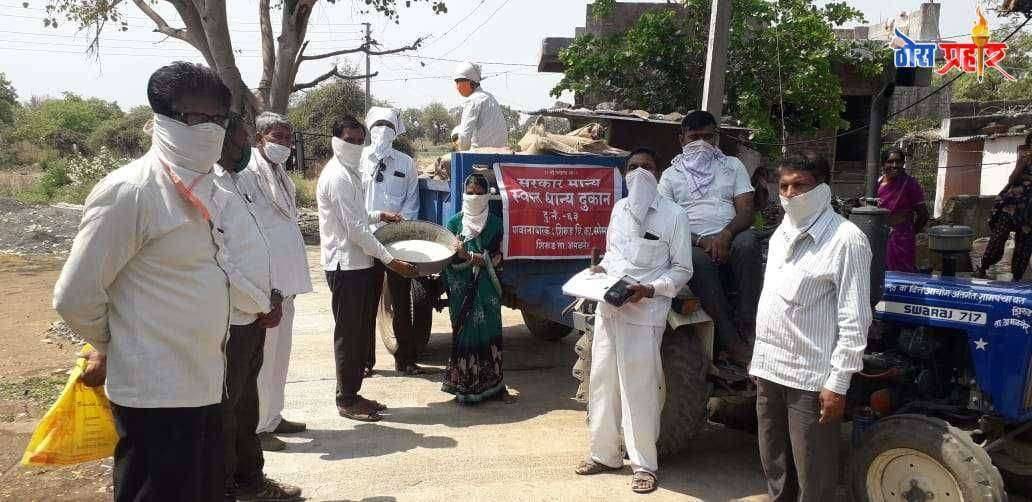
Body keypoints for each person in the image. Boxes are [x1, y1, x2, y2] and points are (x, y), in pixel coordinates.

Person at [52, 62, 231, 502]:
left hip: (205, 382)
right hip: (155, 394)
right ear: (163, 119)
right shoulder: (130, 191)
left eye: (219, 118)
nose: (210, 129)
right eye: (196, 117)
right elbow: (74, 296)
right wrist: (116, 343)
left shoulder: (208, 188)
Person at [749, 153, 872, 502]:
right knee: (774, 464)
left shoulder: (847, 240)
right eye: (784, 186)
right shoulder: (781, 233)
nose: (790, 194)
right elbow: (772, 301)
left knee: (813, 475)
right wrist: (758, 362)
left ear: (822, 188)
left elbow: (855, 319)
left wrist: (838, 383)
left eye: (799, 185)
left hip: (811, 378)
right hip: (770, 370)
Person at [575, 148, 693, 495]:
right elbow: (614, 254)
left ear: (658, 173)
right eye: (634, 167)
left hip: (645, 313)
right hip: (610, 307)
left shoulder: (674, 215)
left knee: (639, 389)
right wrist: (599, 269)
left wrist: (650, 289)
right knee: (602, 382)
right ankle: (604, 455)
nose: (640, 172)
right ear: (625, 173)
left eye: (648, 166)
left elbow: (682, 269)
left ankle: (644, 465)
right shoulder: (619, 209)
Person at [212, 118, 301, 501]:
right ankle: (230, 485)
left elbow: (258, 243)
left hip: (261, 305)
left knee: (246, 403)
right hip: (234, 315)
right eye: (240, 141)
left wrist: (272, 293)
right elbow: (223, 260)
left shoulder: (239, 181)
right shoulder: (215, 185)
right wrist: (263, 300)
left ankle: (252, 478)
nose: (245, 149)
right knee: (229, 407)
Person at [317, 115, 417, 422]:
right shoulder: (338, 176)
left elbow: (359, 216)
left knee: (359, 331)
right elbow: (356, 231)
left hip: (358, 264)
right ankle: (346, 399)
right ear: (336, 140)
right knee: (349, 334)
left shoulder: (350, 172)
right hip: (345, 265)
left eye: (360, 141)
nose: (355, 145)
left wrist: (379, 215)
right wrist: (389, 259)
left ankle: (353, 392)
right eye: (349, 140)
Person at [658, 110, 761, 366]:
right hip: (690, 241)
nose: (701, 143)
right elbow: (665, 222)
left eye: (708, 137)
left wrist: (725, 235)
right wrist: (702, 241)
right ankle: (731, 341)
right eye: (694, 137)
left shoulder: (732, 166)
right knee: (697, 260)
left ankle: (748, 325)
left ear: (716, 138)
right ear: (681, 139)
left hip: (731, 236)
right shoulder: (670, 175)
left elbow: (746, 210)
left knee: (749, 242)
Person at [240, 112, 313, 451]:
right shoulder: (247, 174)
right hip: (266, 285)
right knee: (263, 359)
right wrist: (264, 286)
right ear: (260, 139)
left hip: (286, 282)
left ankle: (273, 415)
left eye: (286, 137)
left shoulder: (280, 173)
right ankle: (257, 427)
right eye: (276, 137)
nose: (283, 143)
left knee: (280, 355)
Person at [361, 107, 424, 376]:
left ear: (396, 131)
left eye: (388, 125)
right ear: (369, 128)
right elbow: (353, 203)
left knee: (401, 302)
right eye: (378, 124)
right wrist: (367, 232)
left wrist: (399, 231)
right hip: (365, 241)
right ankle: (365, 362)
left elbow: (411, 203)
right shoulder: (358, 159)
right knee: (366, 303)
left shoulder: (406, 163)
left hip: (397, 242)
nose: (383, 130)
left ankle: (405, 360)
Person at [441, 174, 507, 404]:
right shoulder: (454, 224)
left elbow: (498, 258)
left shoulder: (496, 223)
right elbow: (447, 261)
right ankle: (464, 387)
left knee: (490, 331)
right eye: (470, 193)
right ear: (464, 194)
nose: (474, 197)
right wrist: (459, 256)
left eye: (479, 193)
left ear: (487, 195)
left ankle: (494, 387)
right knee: (465, 335)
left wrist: (469, 255)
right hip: (462, 289)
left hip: (487, 289)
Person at [977, 134, 1032, 280]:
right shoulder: (1025, 158)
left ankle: (1016, 278)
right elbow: (1012, 179)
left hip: (1029, 211)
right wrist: (1024, 167)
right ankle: (983, 268)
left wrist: (1026, 177)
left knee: (1024, 243)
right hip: (1012, 205)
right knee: (999, 235)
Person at [877, 148, 929, 272]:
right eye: (890, 162)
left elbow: (923, 215)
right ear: (883, 164)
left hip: (901, 241)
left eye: (898, 162)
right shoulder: (876, 183)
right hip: (879, 237)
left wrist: (907, 234)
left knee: (901, 275)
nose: (895, 165)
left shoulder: (909, 184)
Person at [453, 62, 508, 150]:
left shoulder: (473, 100)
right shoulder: (489, 97)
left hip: (480, 153)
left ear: (471, 83)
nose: (457, 85)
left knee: (457, 131)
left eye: (459, 81)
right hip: (501, 152)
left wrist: (461, 151)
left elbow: (464, 137)